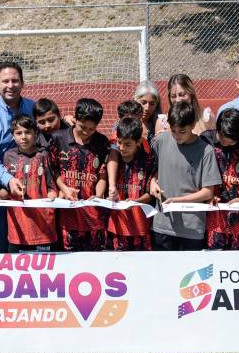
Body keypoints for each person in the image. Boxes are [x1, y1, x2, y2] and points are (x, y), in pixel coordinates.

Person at [149, 102, 222, 251]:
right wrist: (152, 182)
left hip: (192, 228)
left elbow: (208, 192)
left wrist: (177, 201)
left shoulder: (206, 150)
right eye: (173, 130)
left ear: (193, 124)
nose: (176, 136)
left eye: (182, 131)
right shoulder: (161, 141)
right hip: (162, 224)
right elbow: (155, 168)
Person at [0, 61, 35, 254]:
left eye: (15, 80)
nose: (10, 85)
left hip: (32, 179)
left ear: (22, 83)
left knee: (33, 235)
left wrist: (67, 120)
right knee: (1, 241)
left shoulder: (33, 107)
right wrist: (9, 180)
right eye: (5, 81)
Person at [52, 99, 111, 251]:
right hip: (66, 214)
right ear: (75, 119)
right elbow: (53, 169)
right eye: (82, 127)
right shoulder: (59, 138)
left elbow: (102, 175)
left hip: (92, 216)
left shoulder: (102, 142)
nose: (86, 132)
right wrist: (63, 188)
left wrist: (98, 196)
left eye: (91, 129)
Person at [201, 109, 239, 250]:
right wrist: (207, 194)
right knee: (214, 255)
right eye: (223, 138)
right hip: (213, 209)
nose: (226, 143)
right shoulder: (205, 140)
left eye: (232, 141)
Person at [0, 114, 59, 252]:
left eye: (28, 132)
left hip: (43, 225)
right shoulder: (9, 156)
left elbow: (51, 185)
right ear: (13, 135)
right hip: (18, 225)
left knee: (45, 268)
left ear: (36, 133)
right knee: (19, 269)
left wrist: (52, 195)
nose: (23, 137)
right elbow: (7, 187)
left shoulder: (44, 155)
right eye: (19, 133)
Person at [106, 117, 157, 250]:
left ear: (138, 142)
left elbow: (150, 194)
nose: (122, 148)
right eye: (119, 142)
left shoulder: (148, 161)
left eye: (127, 144)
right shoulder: (112, 161)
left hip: (140, 226)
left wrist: (135, 202)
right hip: (116, 226)